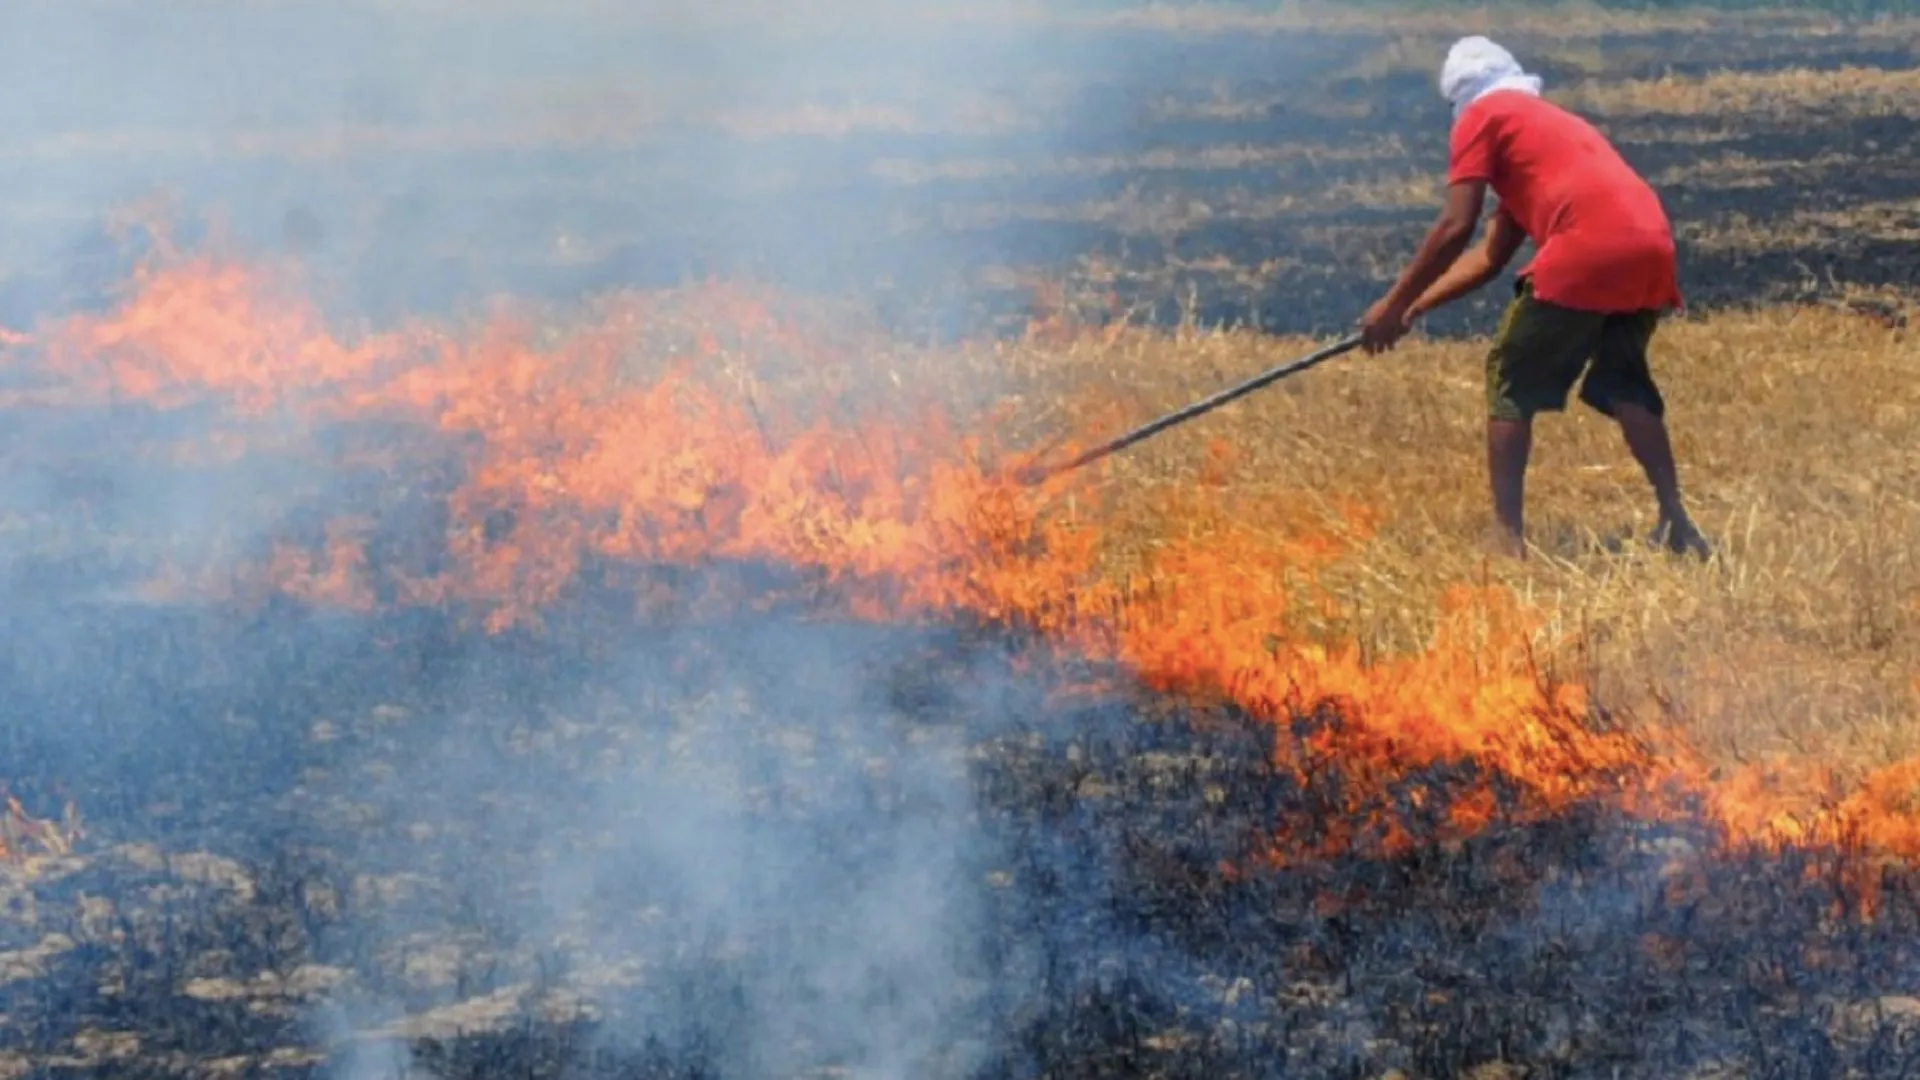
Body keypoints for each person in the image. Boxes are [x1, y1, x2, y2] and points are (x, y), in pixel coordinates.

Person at [1357, 36, 1711, 561]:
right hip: (1650, 246)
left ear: (1460, 101)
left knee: (1509, 373)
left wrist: (1389, 304)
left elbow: (1456, 226)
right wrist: (1414, 309)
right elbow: (1489, 256)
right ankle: (1677, 522)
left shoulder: (1484, 116)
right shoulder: (1541, 132)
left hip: (1587, 249)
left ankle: (1506, 539)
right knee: (1623, 379)